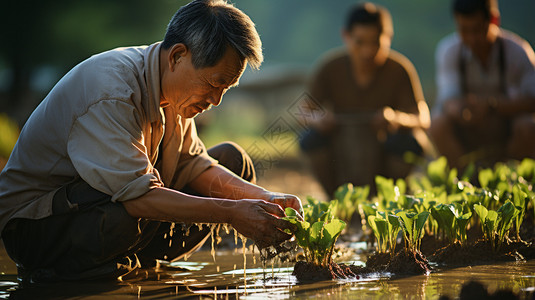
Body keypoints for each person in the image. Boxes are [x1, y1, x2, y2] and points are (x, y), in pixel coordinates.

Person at [0, 0, 302, 283]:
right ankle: (64, 275)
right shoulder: (112, 91)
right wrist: (232, 213)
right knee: (128, 213)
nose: (216, 100)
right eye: (214, 83)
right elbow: (138, 196)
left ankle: (134, 263)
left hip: (105, 207)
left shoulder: (175, 92)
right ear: (177, 56)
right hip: (35, 227)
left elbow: (193, 164)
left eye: (227, 87)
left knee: (233, 162)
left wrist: (265, 198)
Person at [299, 2, 430, 197]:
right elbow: (302, 111)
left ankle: (387, 198)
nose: (368, 51)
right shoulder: (329, 68)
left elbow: (423, 118)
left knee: (412, 143)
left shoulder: (400, 69)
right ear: (346, 36)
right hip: (341, 150)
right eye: (360, 42)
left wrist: (395, 119)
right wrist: (318, 119)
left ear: (388, 38)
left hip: (384, 150)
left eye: (376, 43)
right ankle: (337, 198)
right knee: (310, 139)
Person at [429, 0, 535, 170]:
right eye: (464, 30)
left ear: (493, 21)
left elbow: (532, 100)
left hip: (506, 129)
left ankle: (514, 177)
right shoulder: (449, 51)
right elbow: (448, 99)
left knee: (527, 127)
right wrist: (464, 112)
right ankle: (466, 179)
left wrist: (492, 106)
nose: (471, 39)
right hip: (468, 128)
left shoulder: (517, 51)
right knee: (438, 124)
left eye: (477, 30)